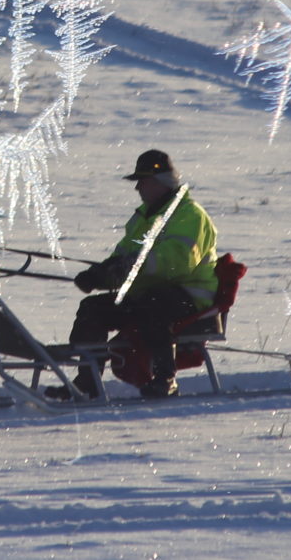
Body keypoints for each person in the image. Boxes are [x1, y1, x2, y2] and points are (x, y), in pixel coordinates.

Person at [50, 148, 218, 400]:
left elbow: (177, 262)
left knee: (155, 303)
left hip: (189, 297)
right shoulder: (143, 218)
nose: (137, 187)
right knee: (92, 309)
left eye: (142, 181)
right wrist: (99, 275)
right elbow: (123, 260)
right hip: (147, 294)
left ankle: (165, 380)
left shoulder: (190, 215)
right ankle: (88, 382)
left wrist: (128, 266)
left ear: (161, 182)